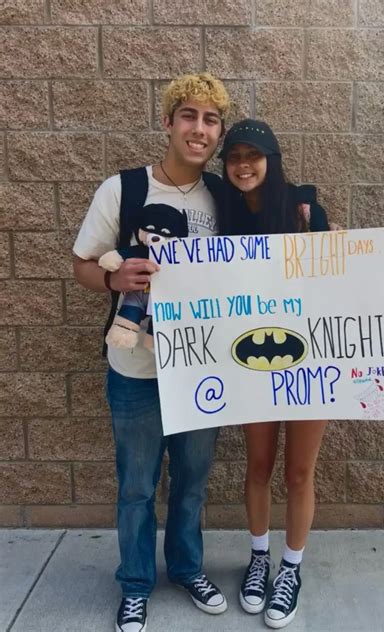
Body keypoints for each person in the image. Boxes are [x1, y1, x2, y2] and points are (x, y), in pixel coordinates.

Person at [218, 119, 384, 629]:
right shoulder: (222, 212)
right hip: (253, 361)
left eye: (253, 155)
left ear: (271, 160)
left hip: (311, 363)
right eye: (234, 156)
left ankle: (291, 568)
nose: (243, 165)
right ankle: (259, 559)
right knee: (258, 466)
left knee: (299, 473)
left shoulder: (303, 209)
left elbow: (341, 273)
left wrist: (378, 300)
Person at [73, 73, 230, 632]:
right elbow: (82, 264)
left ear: (219, 133)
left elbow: (271, 260)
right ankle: (136, 585)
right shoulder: (123, 190)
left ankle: (186, 569)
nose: (199, 128)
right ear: (167, 122)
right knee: (137, 487)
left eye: (211, 119)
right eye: (189, 115)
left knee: (192, 483)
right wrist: (113, 281)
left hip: (202, 369)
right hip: (135, 369)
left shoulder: (225, 196)